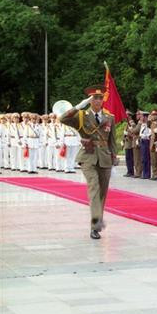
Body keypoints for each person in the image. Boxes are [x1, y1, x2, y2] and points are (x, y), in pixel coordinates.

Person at [59, 85, 118, 239]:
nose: (97, 100)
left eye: (100, 98)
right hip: (88, 156)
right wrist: (79, 105)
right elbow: (62, 118)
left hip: (104, 157)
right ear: (90, 100)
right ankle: (95, 224)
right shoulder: (81, 115)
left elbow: (112, 140)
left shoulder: (109, 117)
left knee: (102, 193)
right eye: (94, 98)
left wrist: (114, 157)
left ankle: (96, 223)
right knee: (94, 188)